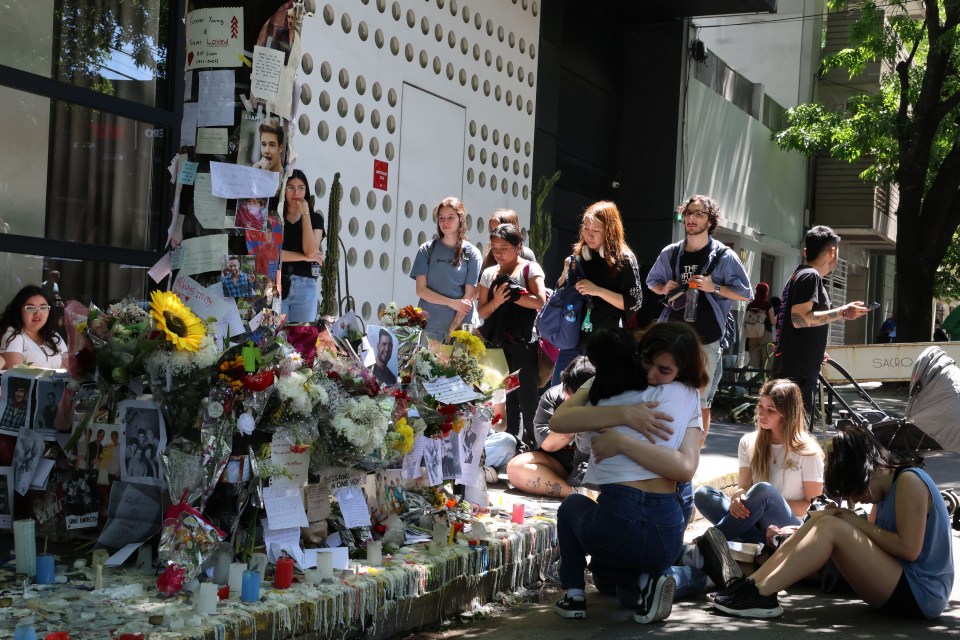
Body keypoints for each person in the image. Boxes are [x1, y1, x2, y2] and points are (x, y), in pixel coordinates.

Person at [709, 422, 954, 620]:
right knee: (825, 520)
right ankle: (752, 586)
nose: (861, 501)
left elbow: (909, 550)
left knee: (833, 525)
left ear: (867, 475)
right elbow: (877, 539)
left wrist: (851, 521)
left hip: (921, 594)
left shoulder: (910, 481)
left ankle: (760, 594)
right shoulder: (887, 487)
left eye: (856, 494)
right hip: (900, 583)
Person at [549, 322, 708, 624]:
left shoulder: (604, 387)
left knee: (572, 507)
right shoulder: (690, 396)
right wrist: (627, 416)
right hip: (667, 527)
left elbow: (558, 421)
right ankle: (688, 573)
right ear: (638, 352)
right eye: (647, 361)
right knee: (618, 588)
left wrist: (620, 439)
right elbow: (686, 469)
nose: (651, 375)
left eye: (663, 370)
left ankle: (573, 594)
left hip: (619, 518)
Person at [646, 195, 752, 444]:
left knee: (701, 401)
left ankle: (691, 457)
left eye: (699, 214)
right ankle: (666, 449)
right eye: (689, 213)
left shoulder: (724, 256)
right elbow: (652, 282)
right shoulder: (671, 253)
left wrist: (713, 287)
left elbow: (744, 294)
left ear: (710, 220)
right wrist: (664, 288)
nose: (691, 218)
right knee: (664, 394)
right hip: (671, 338)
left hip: (706, 338)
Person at [694, 379, 823, 543]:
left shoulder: (807, 451)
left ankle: (705, 543)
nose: (761, 414)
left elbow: (813, 508)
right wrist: (738, 498)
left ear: (788, 413)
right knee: (703, 494)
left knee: (764, 492)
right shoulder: (748, 442)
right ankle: (762, 543)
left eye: (771, 410)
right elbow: (744, 488)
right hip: (753, 520)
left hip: (790, 525)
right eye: (760, 406)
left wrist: (766, 503)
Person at [773, 226, 870, 417]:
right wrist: (843, 312)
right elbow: (799, 319)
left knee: (789, 437)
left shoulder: (800, 275)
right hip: (797, 374)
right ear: (832, 252)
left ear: (805, 251)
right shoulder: (810, 276)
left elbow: (795, 323)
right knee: (794, 438)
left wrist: (817, 349)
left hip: (793, 368)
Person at [550, 201, 644, 386]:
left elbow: (634, 302)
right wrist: (564, 275)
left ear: (610, 231)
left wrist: (598, 291)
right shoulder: (580, 254)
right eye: (586, 229)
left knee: (597, 396)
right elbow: (561, 292)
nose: (589, 235)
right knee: (558, 393)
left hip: (604, 342)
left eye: (596, 231)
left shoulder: (624, 259)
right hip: (573, 337)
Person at [476, 223, 546, 448]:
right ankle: (513, 445)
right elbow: (482, 311)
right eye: (494, 248)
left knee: (527, 396)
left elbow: (540, 301)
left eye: (504, 248)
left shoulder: (530, 269)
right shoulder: (489, 273)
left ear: (518, 247)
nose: (498, 253)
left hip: (524, 342)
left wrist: (514, 297)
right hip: (498, 343)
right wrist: (497, 302)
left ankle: (535, 445)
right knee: (507, 397)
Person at [506, 355, 595, 498]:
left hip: (593, 467)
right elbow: (547, 444)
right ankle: (576, 493)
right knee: (516, 468)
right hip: (557, 466)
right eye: (574, 396)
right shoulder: (553, 396)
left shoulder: (606, 402)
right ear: (565, 387)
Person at [410, 197, 482, 341]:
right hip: (429, 328)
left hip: (459, 330)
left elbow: (468, 298)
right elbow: (421, 290)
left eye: (450, 217)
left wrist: (452, 329)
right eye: (441, 218)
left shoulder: (471, 253)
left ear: (460, 219)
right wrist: (451, 302)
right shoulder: (427, 249)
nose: (445, 222)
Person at [280, 169, 325, 323]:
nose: (296, 192)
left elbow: (311, 250)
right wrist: (304, 258)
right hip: (278, 284)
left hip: (305, 286)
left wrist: (305, 215)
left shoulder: (315, 218)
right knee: (276, 338)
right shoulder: (276, 217)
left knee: (302, 339)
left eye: (301, 188)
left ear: (306, 191)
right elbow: (273, 254)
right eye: (291, 187)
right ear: (283, 189)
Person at [0, 286, 66, 369]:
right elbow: (15, 372)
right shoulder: (13, 334)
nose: (38, 313)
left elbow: (69, 368)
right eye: (30, 308)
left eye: (43, 308)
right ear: (18, 310)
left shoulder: (53, 336)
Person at [744, 282, 774, 370]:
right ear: (766, 292)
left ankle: (754, 379)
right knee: (767, 359)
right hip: (765, 334)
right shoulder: (768, 304)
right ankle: (765, 380)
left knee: (754, 361)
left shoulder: (750, 305)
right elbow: (772, 321)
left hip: (751, 334)